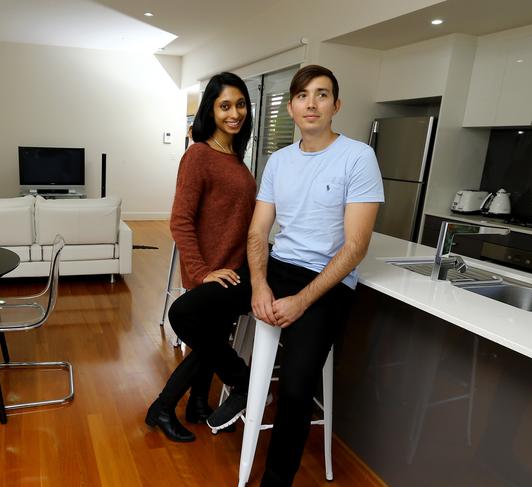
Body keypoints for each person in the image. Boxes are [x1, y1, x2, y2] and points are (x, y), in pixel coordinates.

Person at [169, 64, 384, 485]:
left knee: (297, 389)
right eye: (303, 95)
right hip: (278, 269)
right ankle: (247, 384)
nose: (312, 103)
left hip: (328, 284)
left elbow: (355, 247)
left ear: (336, 105)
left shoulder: (359, 157)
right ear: (290, 107)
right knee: (186, 313)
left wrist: (302, 301)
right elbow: (258, 231)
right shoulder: (279, 162)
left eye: (322, 95)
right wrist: (260, 285)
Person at [146, 72, 256, 442]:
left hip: (231, 268)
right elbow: (180, 219)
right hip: (210, 271)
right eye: (225, 105)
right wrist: (201, 270)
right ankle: (162, 407)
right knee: (209, 343)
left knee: (210, 345)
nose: (234, 113)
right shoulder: (199, 155)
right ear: (211, 109)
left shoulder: (235, 157)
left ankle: (195, 405)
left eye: (240, 104)